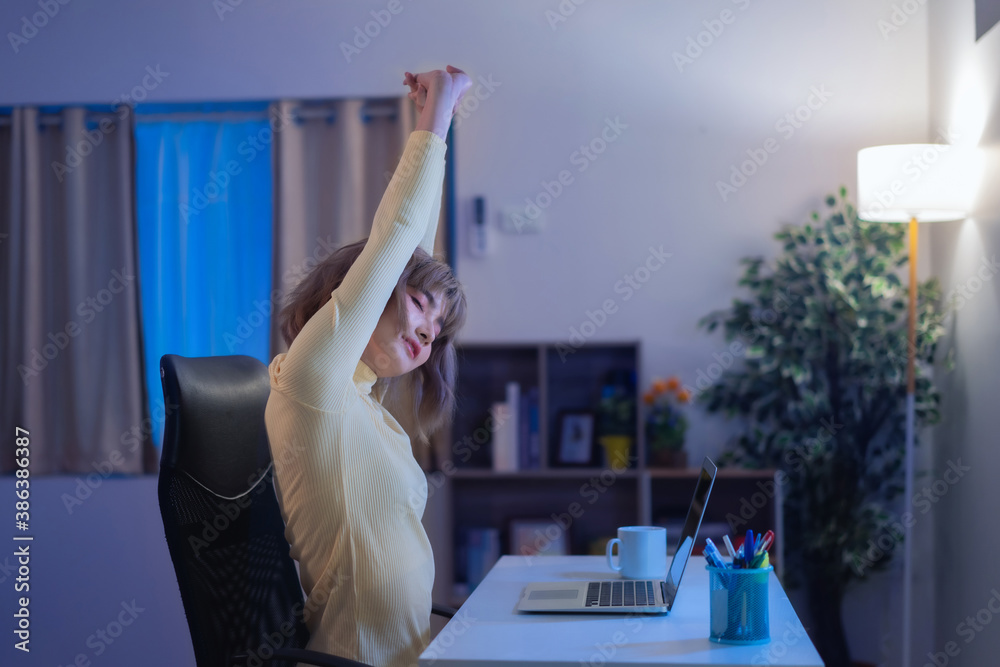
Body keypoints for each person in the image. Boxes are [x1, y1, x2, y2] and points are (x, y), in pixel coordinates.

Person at [264, 66, 473, 667]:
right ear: (361, 287)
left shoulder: (363, 404)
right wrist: (441, 108)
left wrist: (439, 118)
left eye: (438, 331)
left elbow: (414, 253)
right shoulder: (312, 384)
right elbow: (397, 243)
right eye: (418, 307)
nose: (429, 333)